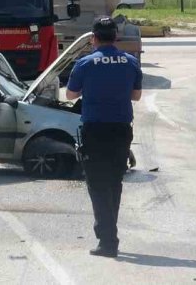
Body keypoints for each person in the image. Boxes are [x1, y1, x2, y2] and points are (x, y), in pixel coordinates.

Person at [66, 16, 142, 258]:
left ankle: (108, 242)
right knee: (113, 183)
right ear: (116, 37)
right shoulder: (130, 62)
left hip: (96, 131)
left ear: (93, 38)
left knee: (97, 185)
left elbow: (70, 94)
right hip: (121, 130)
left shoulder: (86, 63)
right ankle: (109, 236)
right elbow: (137, 96)